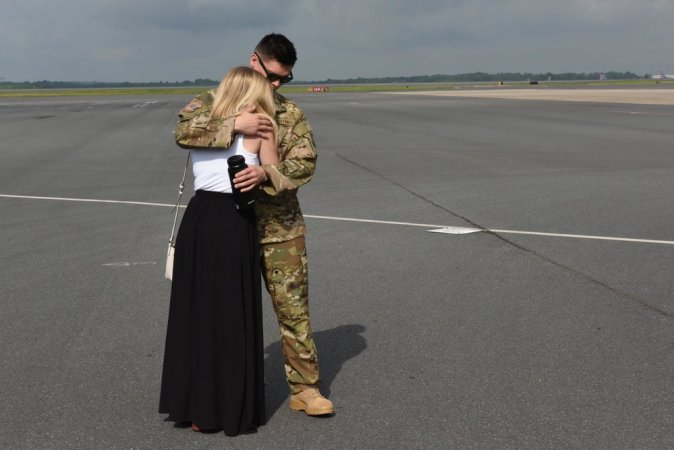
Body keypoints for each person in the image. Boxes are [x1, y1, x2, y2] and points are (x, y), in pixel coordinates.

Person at [174, 33, 334, 416]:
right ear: (254, 61)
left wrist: (266, 173)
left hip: (280, 229)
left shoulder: (289, 113)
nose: (277, 85)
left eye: (286, 79)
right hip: (230, 227)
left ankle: (305, 389)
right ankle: (239, 380)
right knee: (230, 311)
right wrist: (234, 124)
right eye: (274, 76)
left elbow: (305, 164)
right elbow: (183, 131)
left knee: (293, 310)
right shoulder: (215, 102)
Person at [159, 66, 279, 436]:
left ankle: (192, 405)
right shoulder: (262, 127)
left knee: (195, 312)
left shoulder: (203, 123)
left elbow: (183, 133)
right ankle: (227, 407)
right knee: (231, 315)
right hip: (233, 220)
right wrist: (263, 174)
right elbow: (277, 178)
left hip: (199, 219)